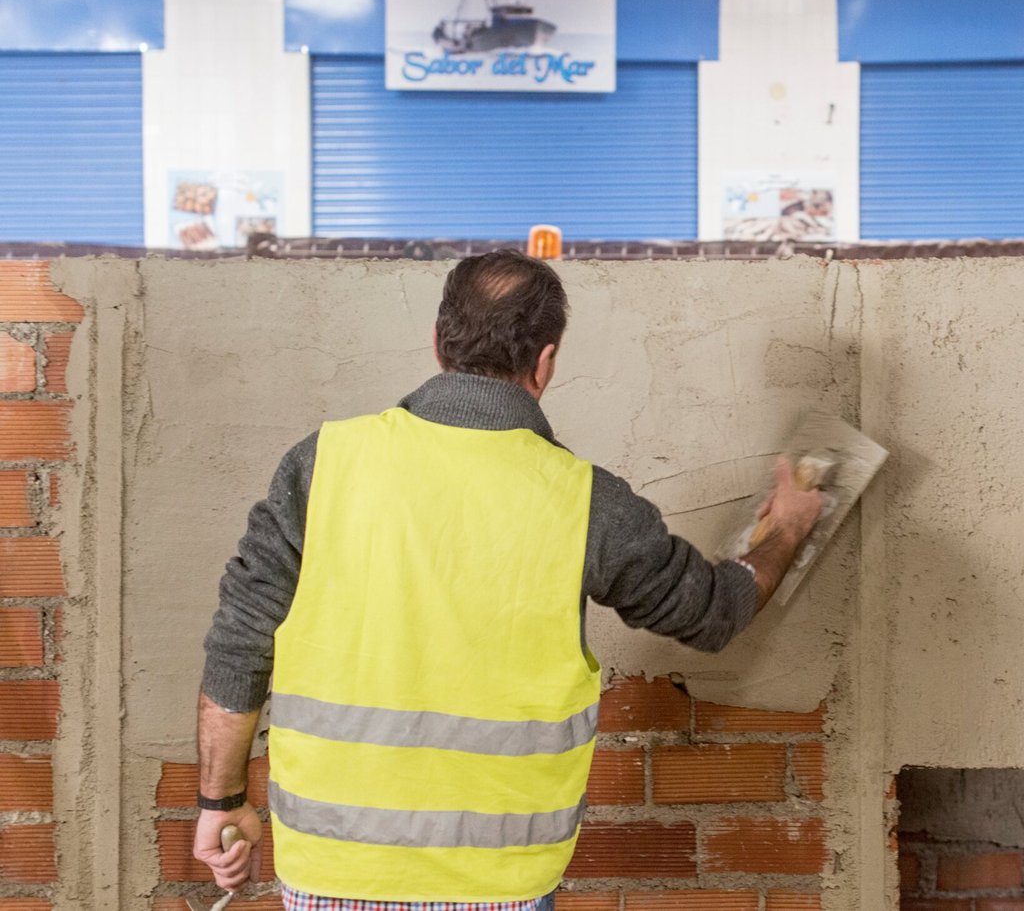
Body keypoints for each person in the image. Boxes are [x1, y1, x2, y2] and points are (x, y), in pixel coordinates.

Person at [190, 249, 824, 910]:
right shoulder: (585, 501)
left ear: (438, 343)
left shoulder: (322, 465)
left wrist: (220, 801)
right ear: (545, 363)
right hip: (499, 886)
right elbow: (715, 610)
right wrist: (786, 528)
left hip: (332, 870)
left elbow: (238, 644)